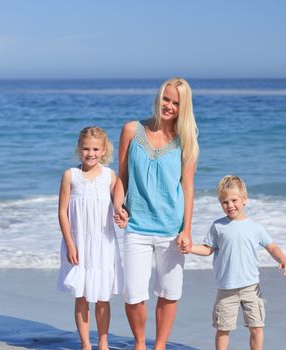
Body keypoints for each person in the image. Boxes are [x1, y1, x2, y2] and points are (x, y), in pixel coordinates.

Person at [113, 77, 199, 350]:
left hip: (171, 229)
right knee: (133, 295)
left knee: (169, 292)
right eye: (166, 99)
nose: (169, 106)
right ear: (159, 97)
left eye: (176, 103)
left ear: (183, 107)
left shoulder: (186, 140)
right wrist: (117, 204)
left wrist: (186, 229)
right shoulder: (131, 130)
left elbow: (187, 186)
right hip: (136, 226)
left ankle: (159, 346)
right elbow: (122, 176)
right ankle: (140, 344)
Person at [187, 175, 286, 350]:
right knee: (223, 329)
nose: (230, 205)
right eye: (224, 202)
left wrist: (284, 261)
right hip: (226, 289)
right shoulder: (218, 226)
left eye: (234, 200)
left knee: (257, 328)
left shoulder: (255, 227)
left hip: (251, 288)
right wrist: (190, 248)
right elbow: (207, 249)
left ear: (245, 200)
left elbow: (271, 247)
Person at [57, 126, 123, 350]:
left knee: (103, 296)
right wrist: (69, 244)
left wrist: (122, 213)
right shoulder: (70, 175)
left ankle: (103, 342)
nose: (91, 153)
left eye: (96, 149)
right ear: (79, 149)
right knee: (82, 295)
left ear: (104, 150)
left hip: (104, 243)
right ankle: (85, 343)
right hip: (78, 244)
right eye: (86, 148)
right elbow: (62, 212)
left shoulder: (109, 175)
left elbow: (119, 205)